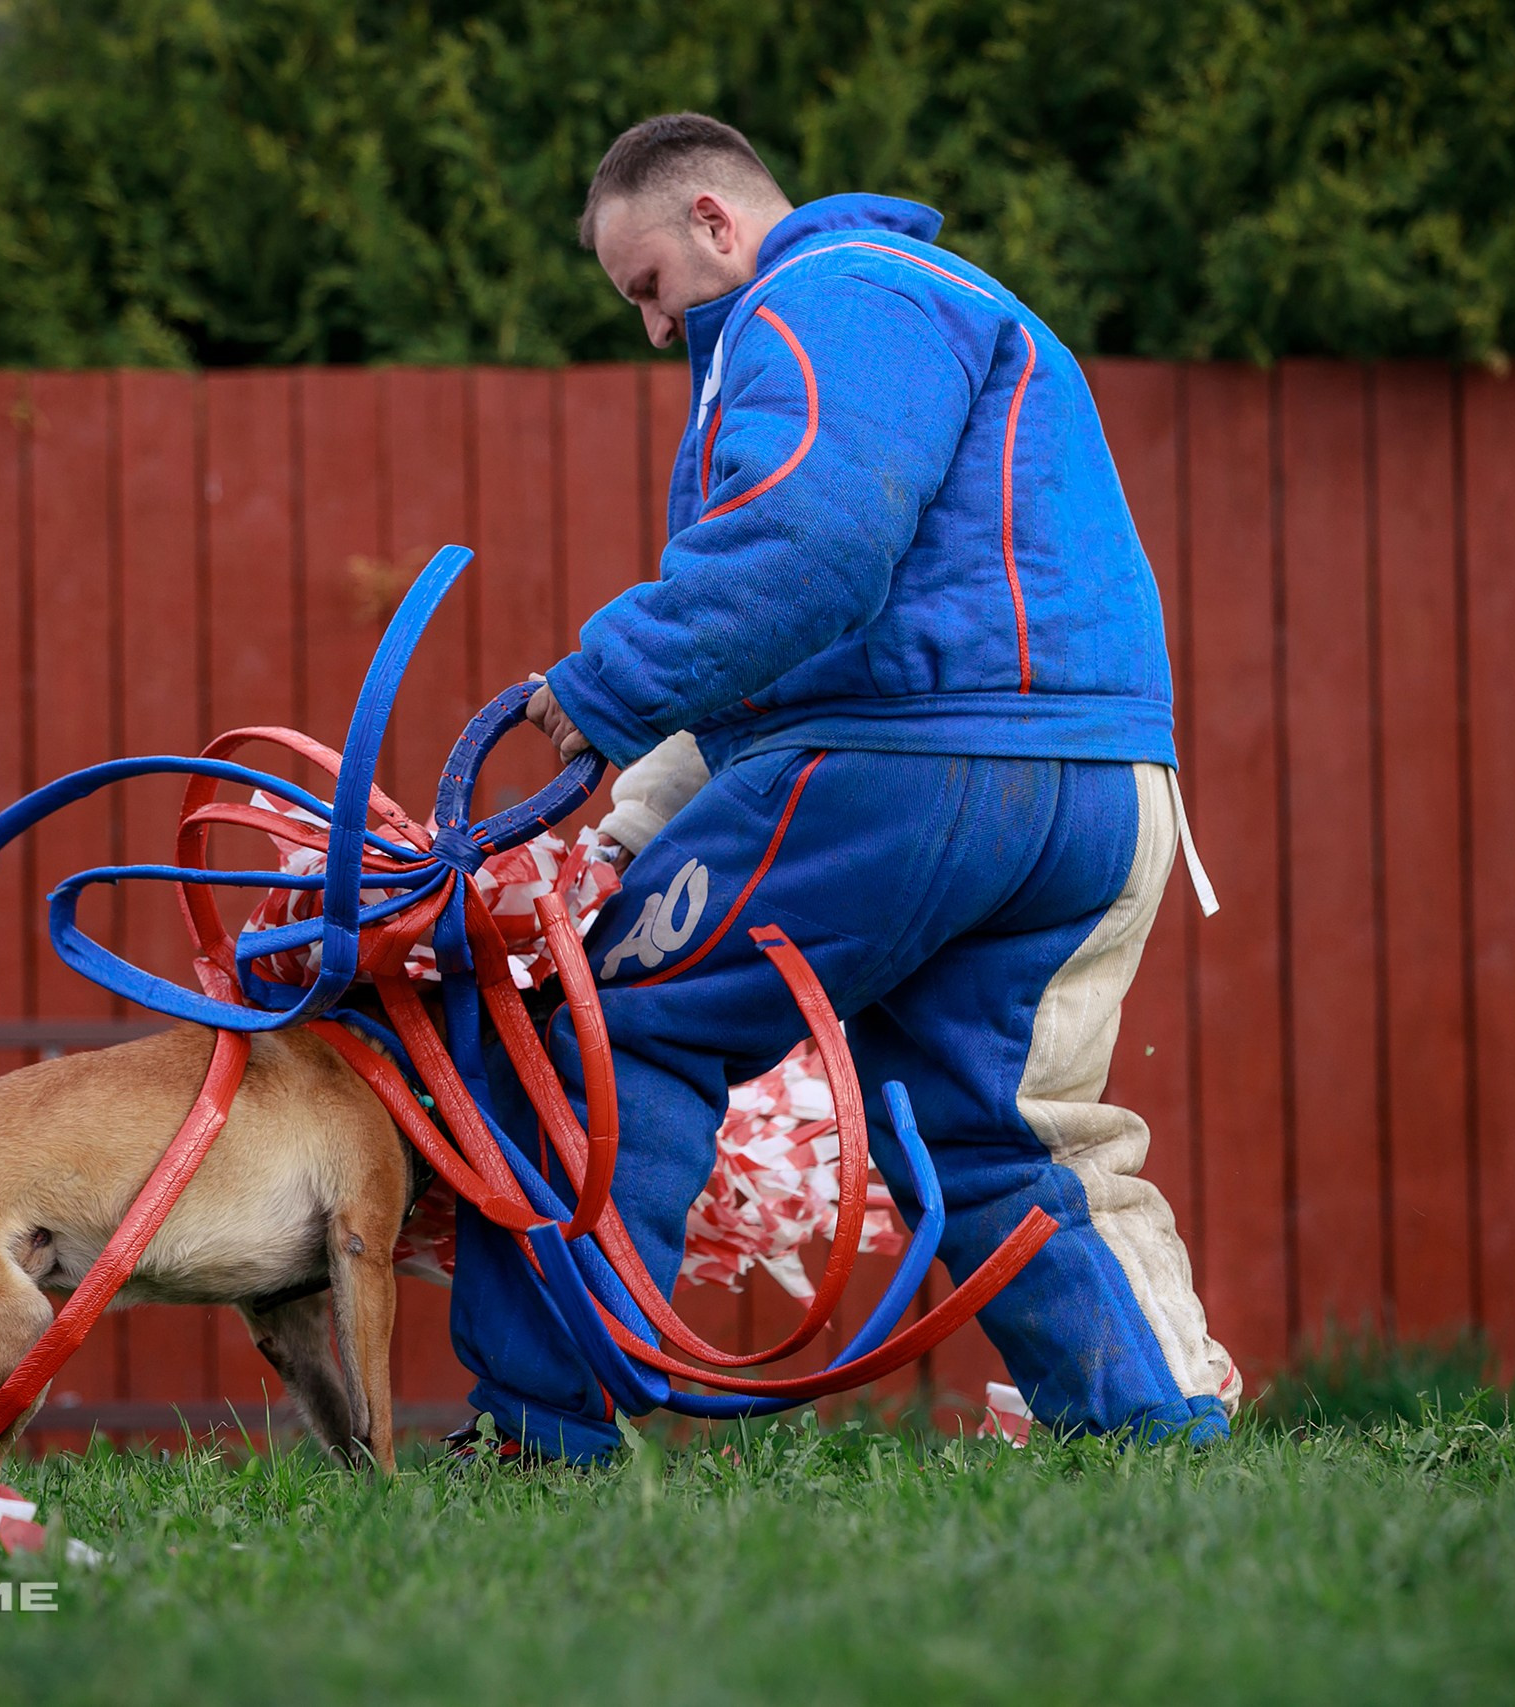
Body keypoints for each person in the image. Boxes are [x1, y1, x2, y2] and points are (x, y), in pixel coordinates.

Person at [448, 112, 1236, 1462]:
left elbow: (809, 554)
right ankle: (1154, 1430)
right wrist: (636, 814)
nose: (650, 329)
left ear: (714, 220)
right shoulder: (946, 308)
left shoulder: (823, 296)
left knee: (610, 1023)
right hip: (1102, 791)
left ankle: (539, 1428)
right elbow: (810, 631)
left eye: (647, 288)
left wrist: (599, 682)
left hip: (913, 768)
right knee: (1001, 1134)